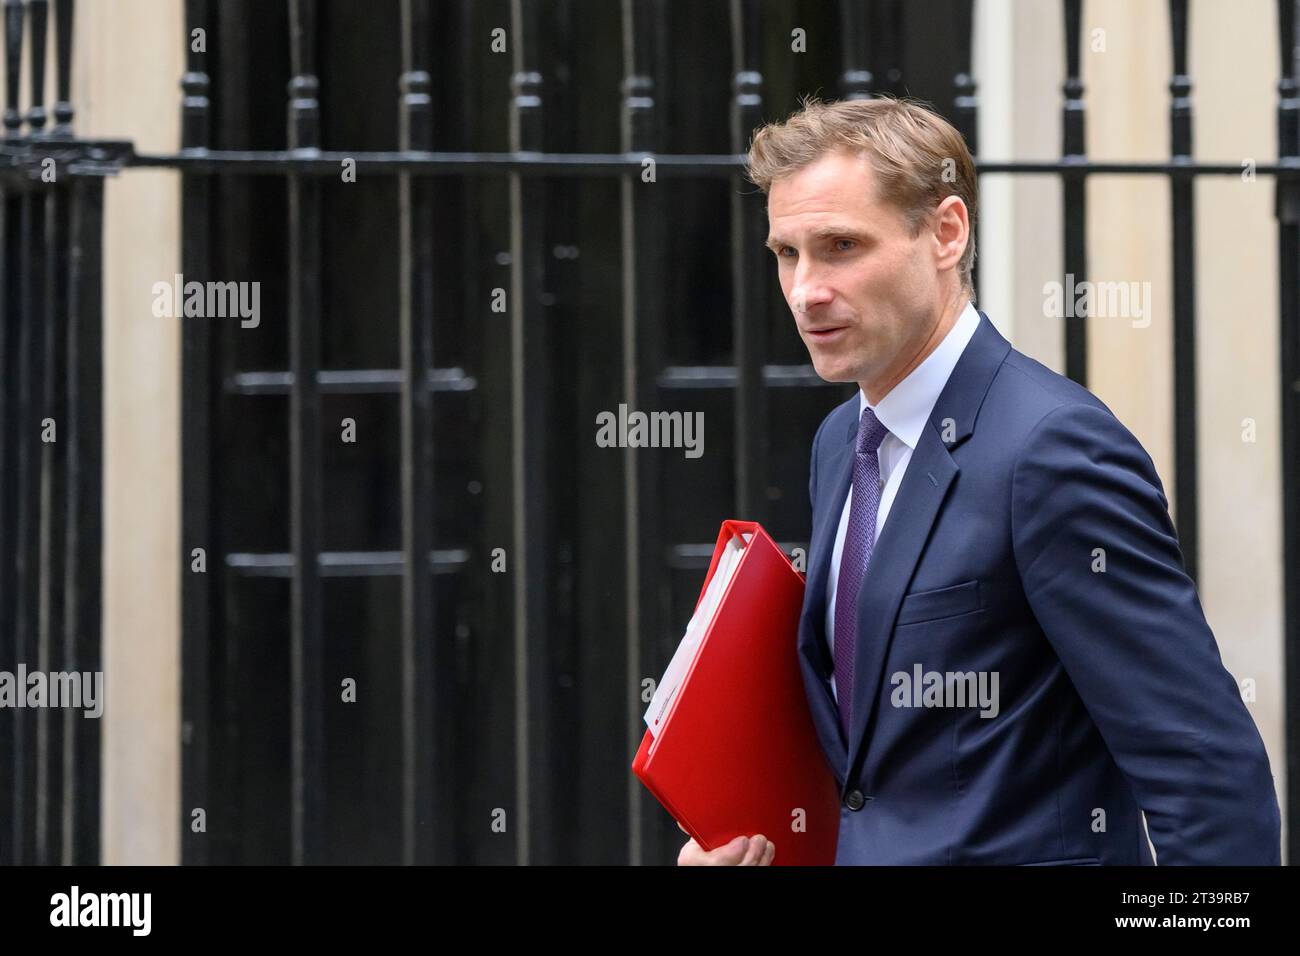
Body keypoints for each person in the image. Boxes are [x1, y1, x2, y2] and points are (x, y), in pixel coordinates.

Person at [679, 96, 1280, 866]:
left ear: (946, 231)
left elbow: (1205, 771)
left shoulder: (1052, 451)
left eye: (840, 246)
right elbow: (875, 774)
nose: (806, 290)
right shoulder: (841, 443)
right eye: (787, 254)